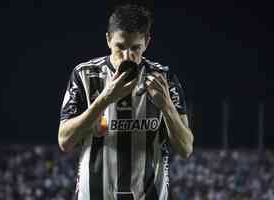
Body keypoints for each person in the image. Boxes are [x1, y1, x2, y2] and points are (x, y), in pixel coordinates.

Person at [58, 4, 194, 200]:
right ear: (108, 40)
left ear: (147, 42)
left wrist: (166, 106)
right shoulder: (85, 75)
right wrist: (104, 99)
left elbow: (186, 148)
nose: (127, 56)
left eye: (135, 48)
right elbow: (65, 141)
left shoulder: (163, 78)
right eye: (120, 47)